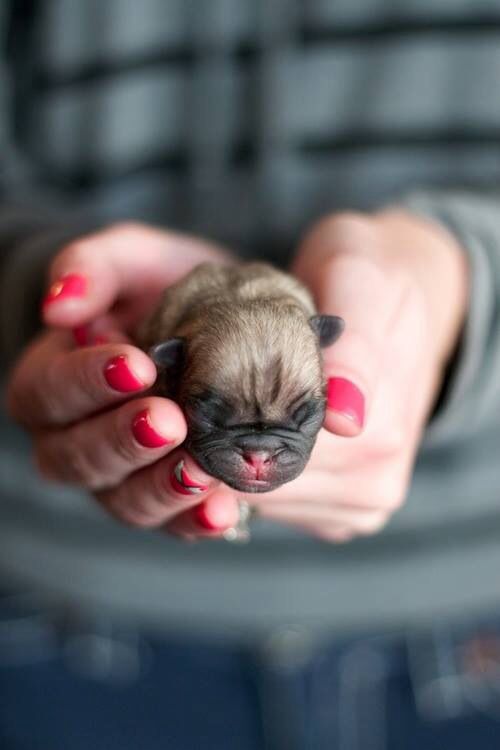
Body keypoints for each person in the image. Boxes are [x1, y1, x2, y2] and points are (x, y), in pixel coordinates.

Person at [1, 2, 500, 748]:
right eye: (219, 412)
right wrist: (33, 282)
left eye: (295, 417)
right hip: (59, 605)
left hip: (473, 617)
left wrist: (461, 282)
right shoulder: (163, 344)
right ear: (167, 367)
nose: (261, 455)